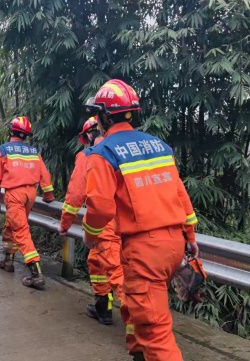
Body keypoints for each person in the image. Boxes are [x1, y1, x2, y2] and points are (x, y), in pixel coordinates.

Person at [83, 79, 198, 361]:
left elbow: (99, 207)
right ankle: (137, 354)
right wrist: (191, 238)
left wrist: (90, 236)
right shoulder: (159, 145)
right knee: (141, 309)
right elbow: (181, 196)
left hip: (144, 251)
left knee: (156, 332)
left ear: (104, 116)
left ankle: (146, 352)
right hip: (174, 245)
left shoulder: (104, 153)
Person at [58, 115, 123, 326]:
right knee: (96, 263)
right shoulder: (123, 149)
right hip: (131, 224)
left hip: (105, 224)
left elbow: (75, 195)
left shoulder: (89, 155)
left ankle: (143, 334)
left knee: (118, 275)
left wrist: (65, 224)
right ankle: (103, 307)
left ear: (88, 134)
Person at [0, 115, 55, 289]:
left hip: (15, 194)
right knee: (12, 226)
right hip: (31, 194)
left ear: (11, 131)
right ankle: (8, 260)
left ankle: (36, 272)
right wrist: (48, 195)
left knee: (20, 231)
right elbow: (45, 175)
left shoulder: (2, 150)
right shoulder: (33, 151)